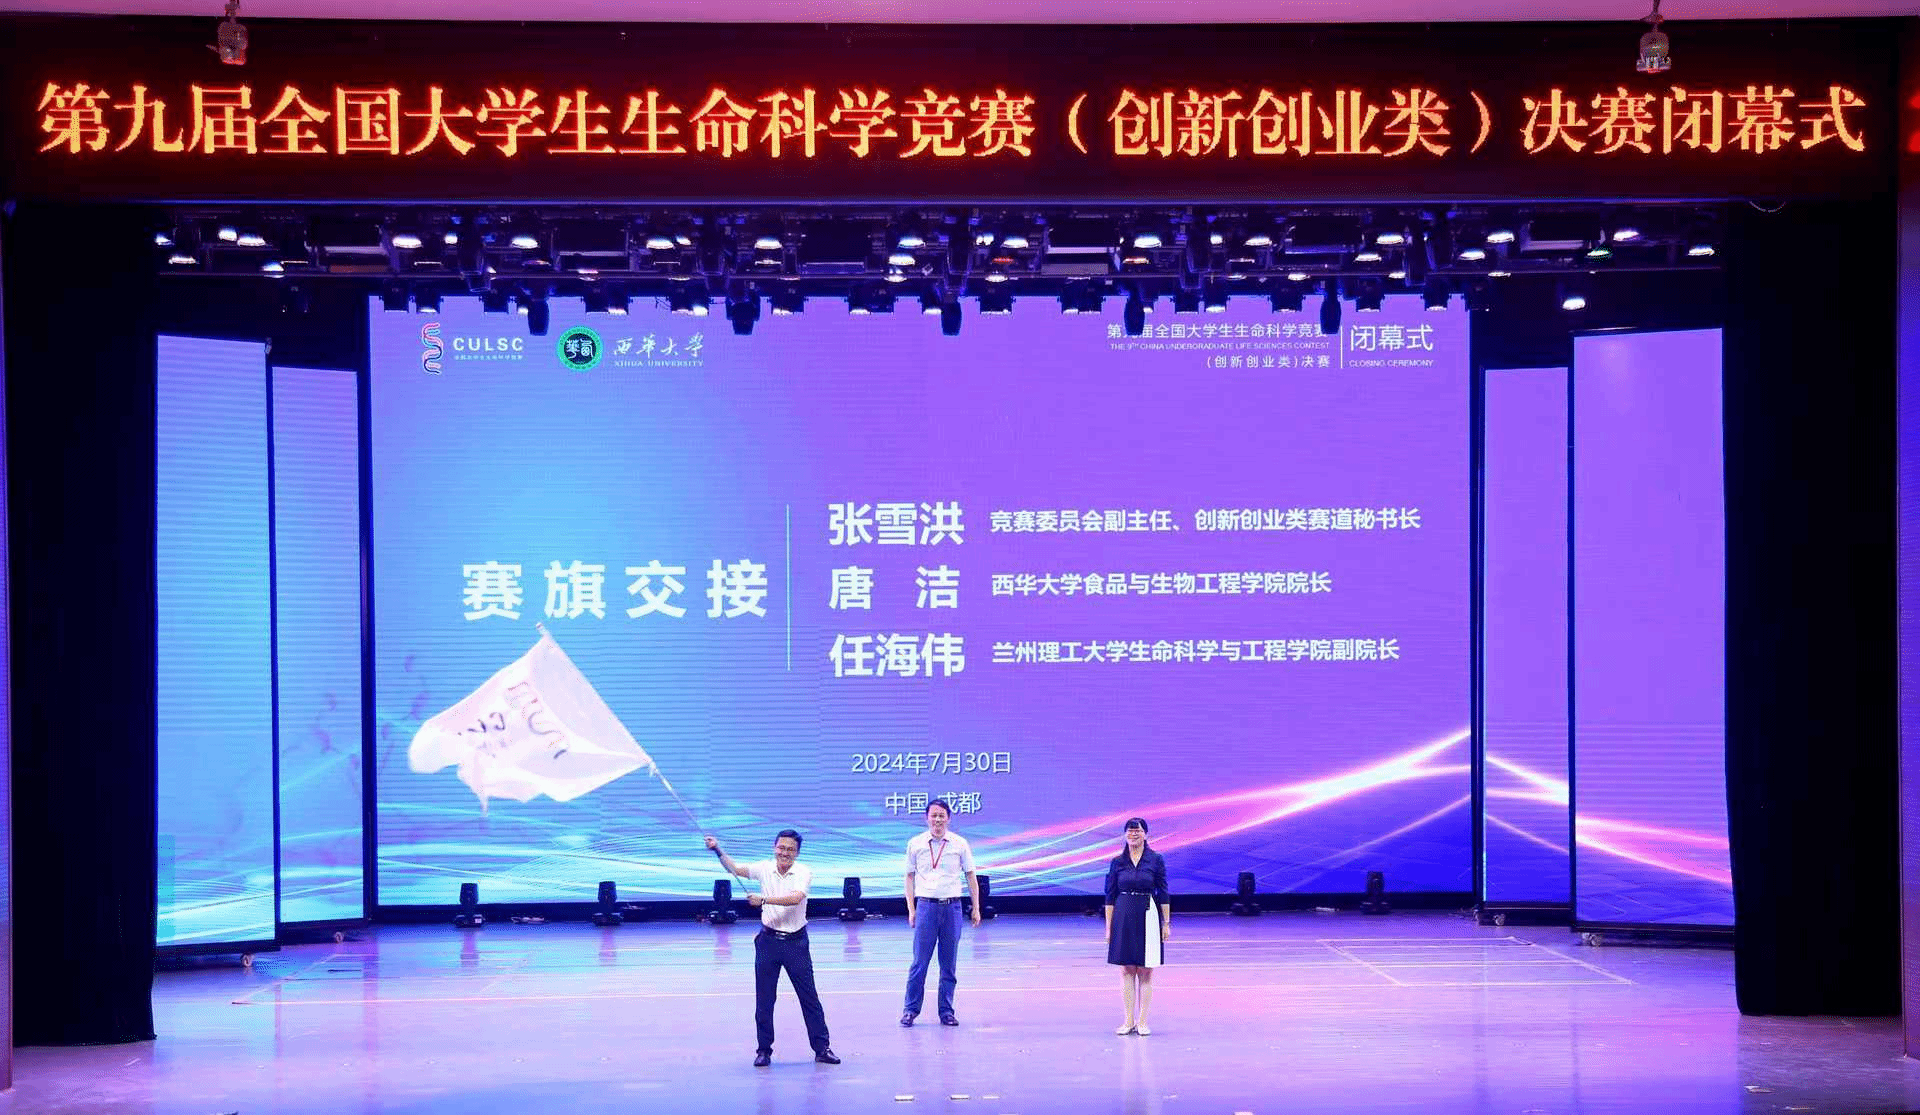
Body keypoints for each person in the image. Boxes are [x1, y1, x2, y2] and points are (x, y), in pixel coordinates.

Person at [706, 831, 840, 1067]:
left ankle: (822, 1048)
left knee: (809, 997)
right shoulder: (764, 868)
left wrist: (764, 900)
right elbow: (734, 869)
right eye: (781, 848)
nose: (785, 853)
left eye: (790, 849)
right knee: (765, 999)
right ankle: (764, 1050)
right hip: (768, 942)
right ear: (774, 848)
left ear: (797, 853)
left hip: (796, 943)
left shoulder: (803, 872)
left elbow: (795, 898)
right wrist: (717, 850)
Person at [900, 798, 981, 1027]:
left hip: (952, 908)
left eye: (941, 815)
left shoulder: (959, 843)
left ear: (948, 818)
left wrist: (976, 907)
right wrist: (911, 909)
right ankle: (910, 1010)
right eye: (933, 815)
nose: (937, 819)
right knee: (919, 963)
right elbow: (909, 877)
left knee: (948, 965)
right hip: (926, 907)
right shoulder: (915, 843)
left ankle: (946, 1012)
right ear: (927, 818)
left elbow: (970, 875)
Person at [1103, 817, 1169, 1036]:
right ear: (1125, 835)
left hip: (1148, 914)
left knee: (1145, 971)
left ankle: (1143, 1022)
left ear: (1145, 834)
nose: (1133, 834)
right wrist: (1109, 928)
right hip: (1123, 915)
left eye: (1138, 831)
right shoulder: (1117, 862)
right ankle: (1128, 1021)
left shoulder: (1155, 860)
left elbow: (1163, 892)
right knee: (1126, 970)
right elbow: (1110, 896)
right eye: (1130, 831)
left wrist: (1166, 923)